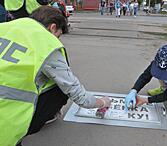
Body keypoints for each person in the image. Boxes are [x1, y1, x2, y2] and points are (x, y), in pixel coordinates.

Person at [0, 6, 111, 146]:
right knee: (59, 86)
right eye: (58, 36)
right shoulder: (45, 42)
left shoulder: (5, 26)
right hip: (4, 126)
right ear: (53, 27)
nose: (57, 40)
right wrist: (103, 102)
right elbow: (79, 96)